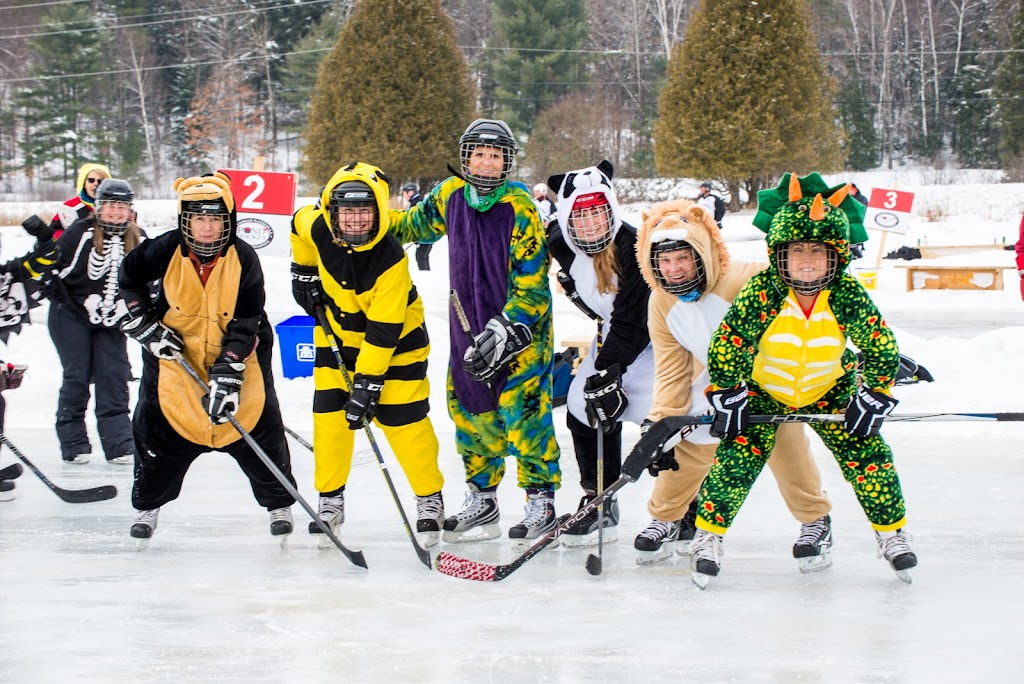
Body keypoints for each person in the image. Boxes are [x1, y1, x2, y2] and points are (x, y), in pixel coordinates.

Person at [691, 172, 917, 587]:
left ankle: (892, 534)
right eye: (797, 250)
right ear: (780, 253)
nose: (808, 260)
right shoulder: (764, 290)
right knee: (735, 464)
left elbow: (879, 343)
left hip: (829, 389)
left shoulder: (847, 293)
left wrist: (875, 391)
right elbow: (730, 340)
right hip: (764, 392)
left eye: (818, 250)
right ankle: (708, 537)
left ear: (837, 255)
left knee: (869, 457)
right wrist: (728, 389)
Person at [630, 197, 832, 568]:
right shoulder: (660, 302)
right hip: (715, 382)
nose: (674, 269)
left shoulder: (741, 280)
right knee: (685, 444)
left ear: (701, 253)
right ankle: (666, 517)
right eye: (665, 260)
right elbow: (673, 368)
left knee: (784, 442)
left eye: (683, 258)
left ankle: (815, 520)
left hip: (773, 381)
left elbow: (802, 287)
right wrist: (659, 423)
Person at [388, 118, 560, 551]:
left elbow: (534, 283)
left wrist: (508, 327)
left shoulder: (520, 206)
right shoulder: (449, 196)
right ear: (466, 158)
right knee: (471, 408)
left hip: (519, 336)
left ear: (507, 162)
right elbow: (409, 227)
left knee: (525, 416)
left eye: (495, 155)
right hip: (466, 326)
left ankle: (541, 500)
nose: (486, 162)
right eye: (479, 154)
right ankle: (483, 498)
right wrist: (362, 220)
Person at [118, 172, 296, 542]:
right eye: (198, 218)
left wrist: (229, 370)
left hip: (239, 354)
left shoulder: (244, 257)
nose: (206, 228)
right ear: (185, 219)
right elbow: (129, 279)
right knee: (156, 428)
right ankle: (149, 505)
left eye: (215, 219)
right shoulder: (163, 249)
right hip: (174, 355)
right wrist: (143, 320)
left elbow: (248, 319)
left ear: (228, 220)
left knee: (258, 427)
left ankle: (279, 502)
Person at [290, 162, 446, 546]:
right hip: (337, 337)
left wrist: (368, 384)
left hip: (397, 347)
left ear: (378, 212)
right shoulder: (318, 226)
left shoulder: (391, 258)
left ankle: (429, 497)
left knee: (402, 420)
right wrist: (302, 270)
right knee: (329, 419)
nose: (356, 220)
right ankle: (330, 500)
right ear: (334, 213)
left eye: (365, 211)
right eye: (347, 211)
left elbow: (384, 329)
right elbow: (297, 223)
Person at [545, 161, 653, 547]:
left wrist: (608, 374)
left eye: (599, 211)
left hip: (655, 341)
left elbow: (634, 321)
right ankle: (600, 498)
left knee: (661, 419)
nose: (591, 222)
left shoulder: (634, 248)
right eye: (581, 213)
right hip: (610, 336)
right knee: (580, 406)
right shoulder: (559, 241)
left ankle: (686, 508)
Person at [46, 179, 141, 464]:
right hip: (70, 314)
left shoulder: (138, 238)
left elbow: (148, 281)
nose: (115, 211)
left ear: (130, 210)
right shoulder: (80, 232)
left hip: (111, 320)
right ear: (99, 207)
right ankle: (73, 442)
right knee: (77, 374)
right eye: (111, 205)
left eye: (121, 206)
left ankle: (120, 443)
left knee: (114, 375)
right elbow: (55, 268)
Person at [21, 163, 111, 244]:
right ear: (84, 182)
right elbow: (54, 231)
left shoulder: (116, 207)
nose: (96, 184)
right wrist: (65, 237)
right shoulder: (70, 206)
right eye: (91, 180)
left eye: (100, 181)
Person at [401, 183, 433, 272]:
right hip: (425, 236)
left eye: (404, 193)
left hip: (425, 237)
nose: (404, 196)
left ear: (410, 192)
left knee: (421, 257)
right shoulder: (417, 202)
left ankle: (425, 276)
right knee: (422, 257)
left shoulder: (416, 203)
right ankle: (426, 275)